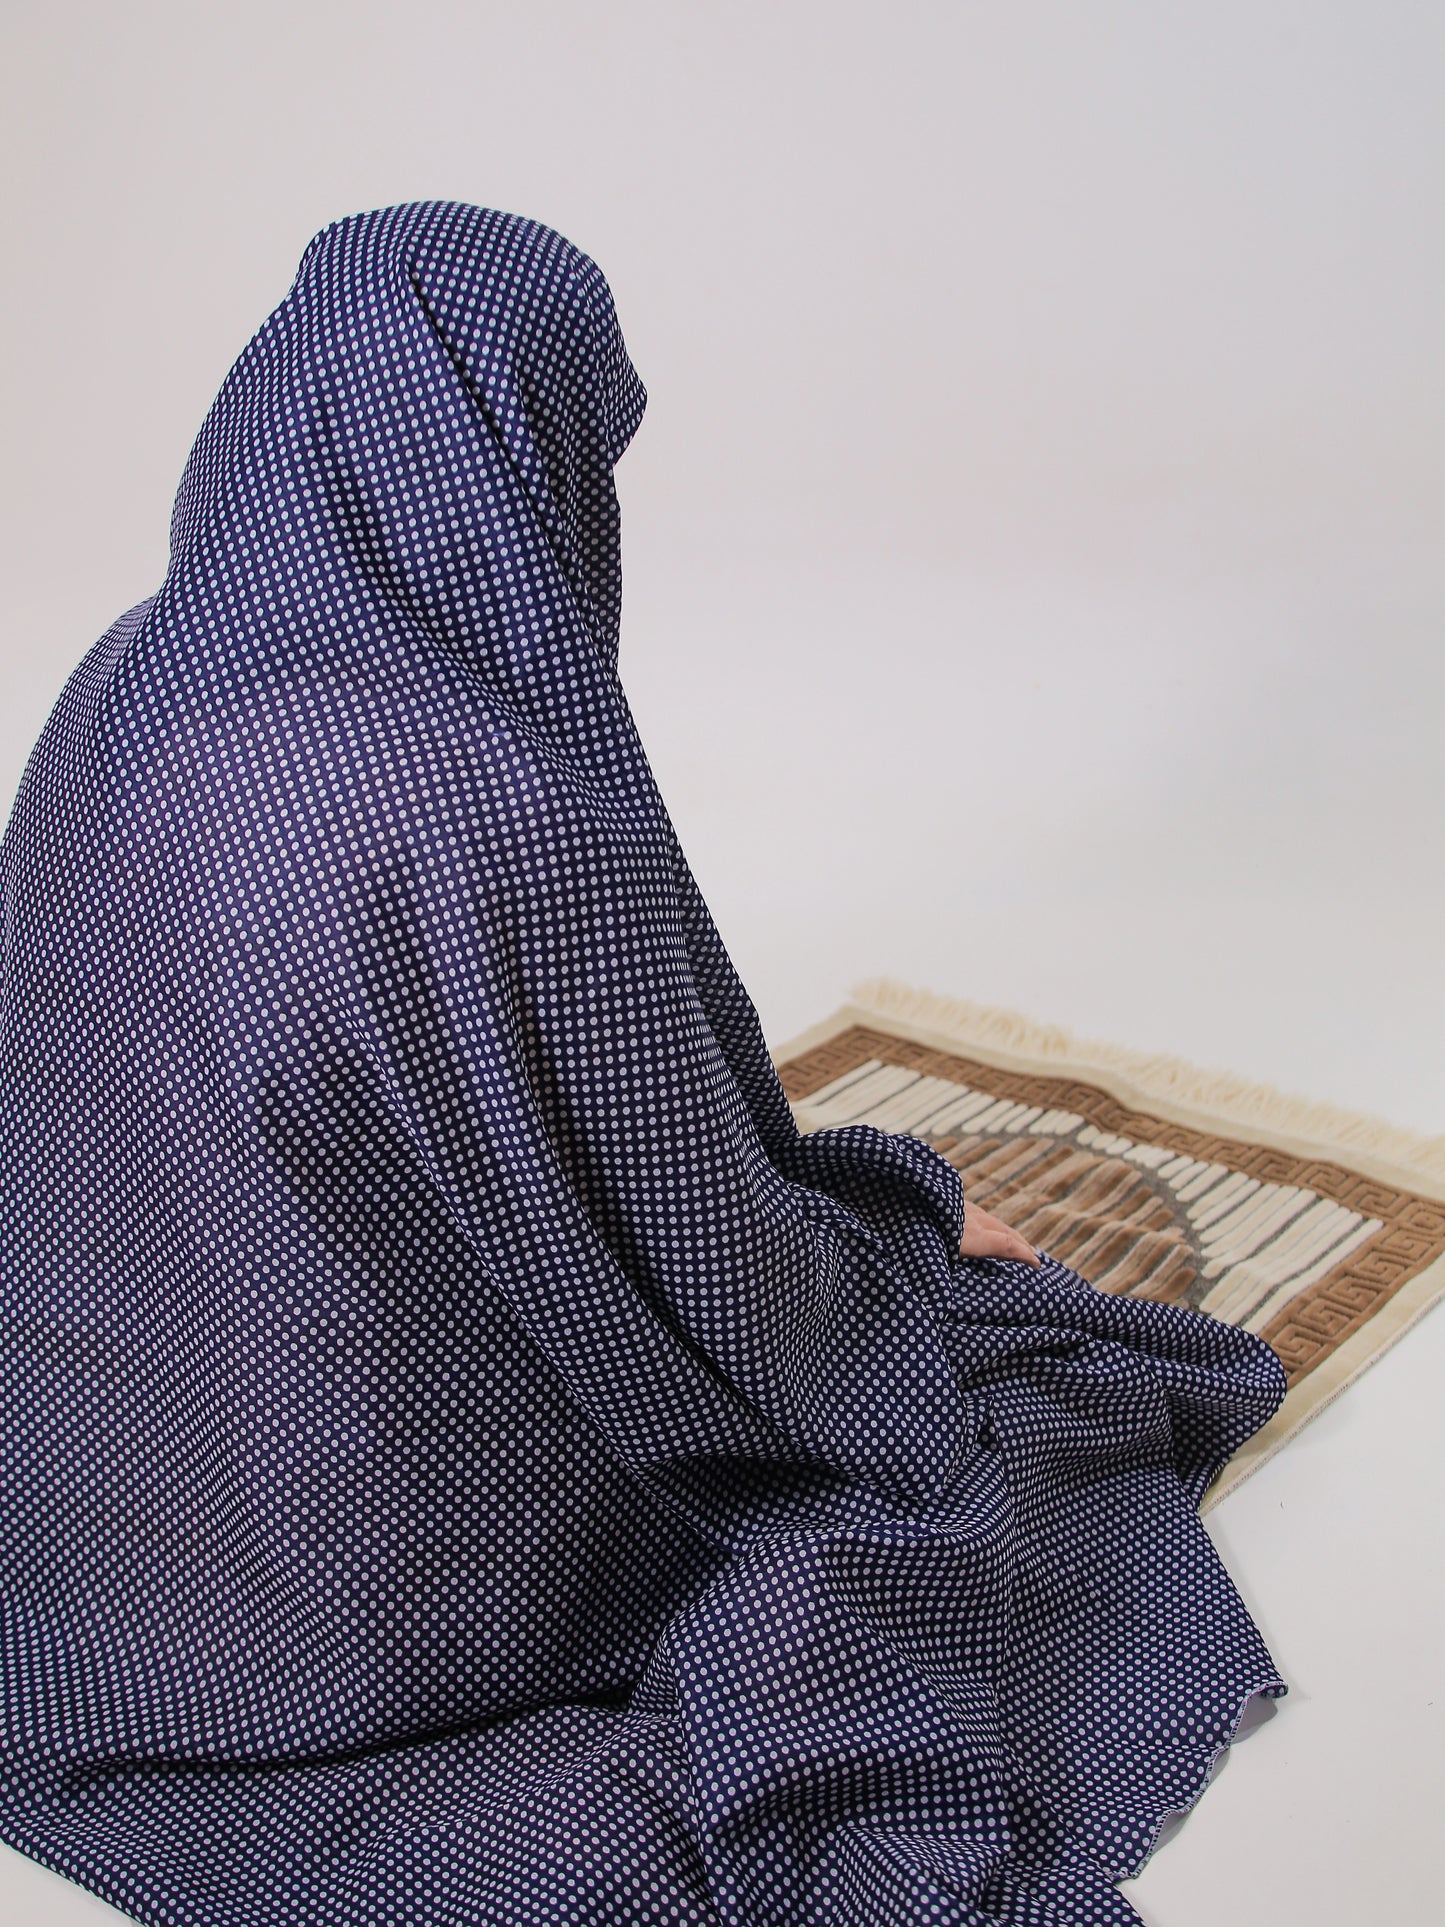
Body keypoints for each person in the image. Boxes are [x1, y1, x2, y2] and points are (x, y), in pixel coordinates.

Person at [0, 201, 1288, 1927]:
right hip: (389, 1566)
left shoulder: (122, 681)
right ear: (509, 452)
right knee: (1024, 1421)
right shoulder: (494, 810)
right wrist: (893, 1245)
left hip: (112, 1482)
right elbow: (690, 1243)